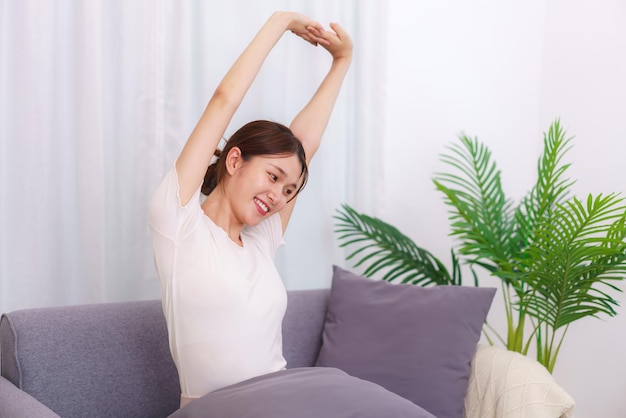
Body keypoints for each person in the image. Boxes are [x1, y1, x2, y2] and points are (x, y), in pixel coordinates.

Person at [148, 11, 352, 408]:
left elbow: (305, 143)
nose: (279, 195)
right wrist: (281, 21)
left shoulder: (260, 240)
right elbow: (225, 100)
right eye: (273, 177)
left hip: (282, 402)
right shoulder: (178, 223)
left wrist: (342, 61)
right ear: (235, 160)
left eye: (289, 189)